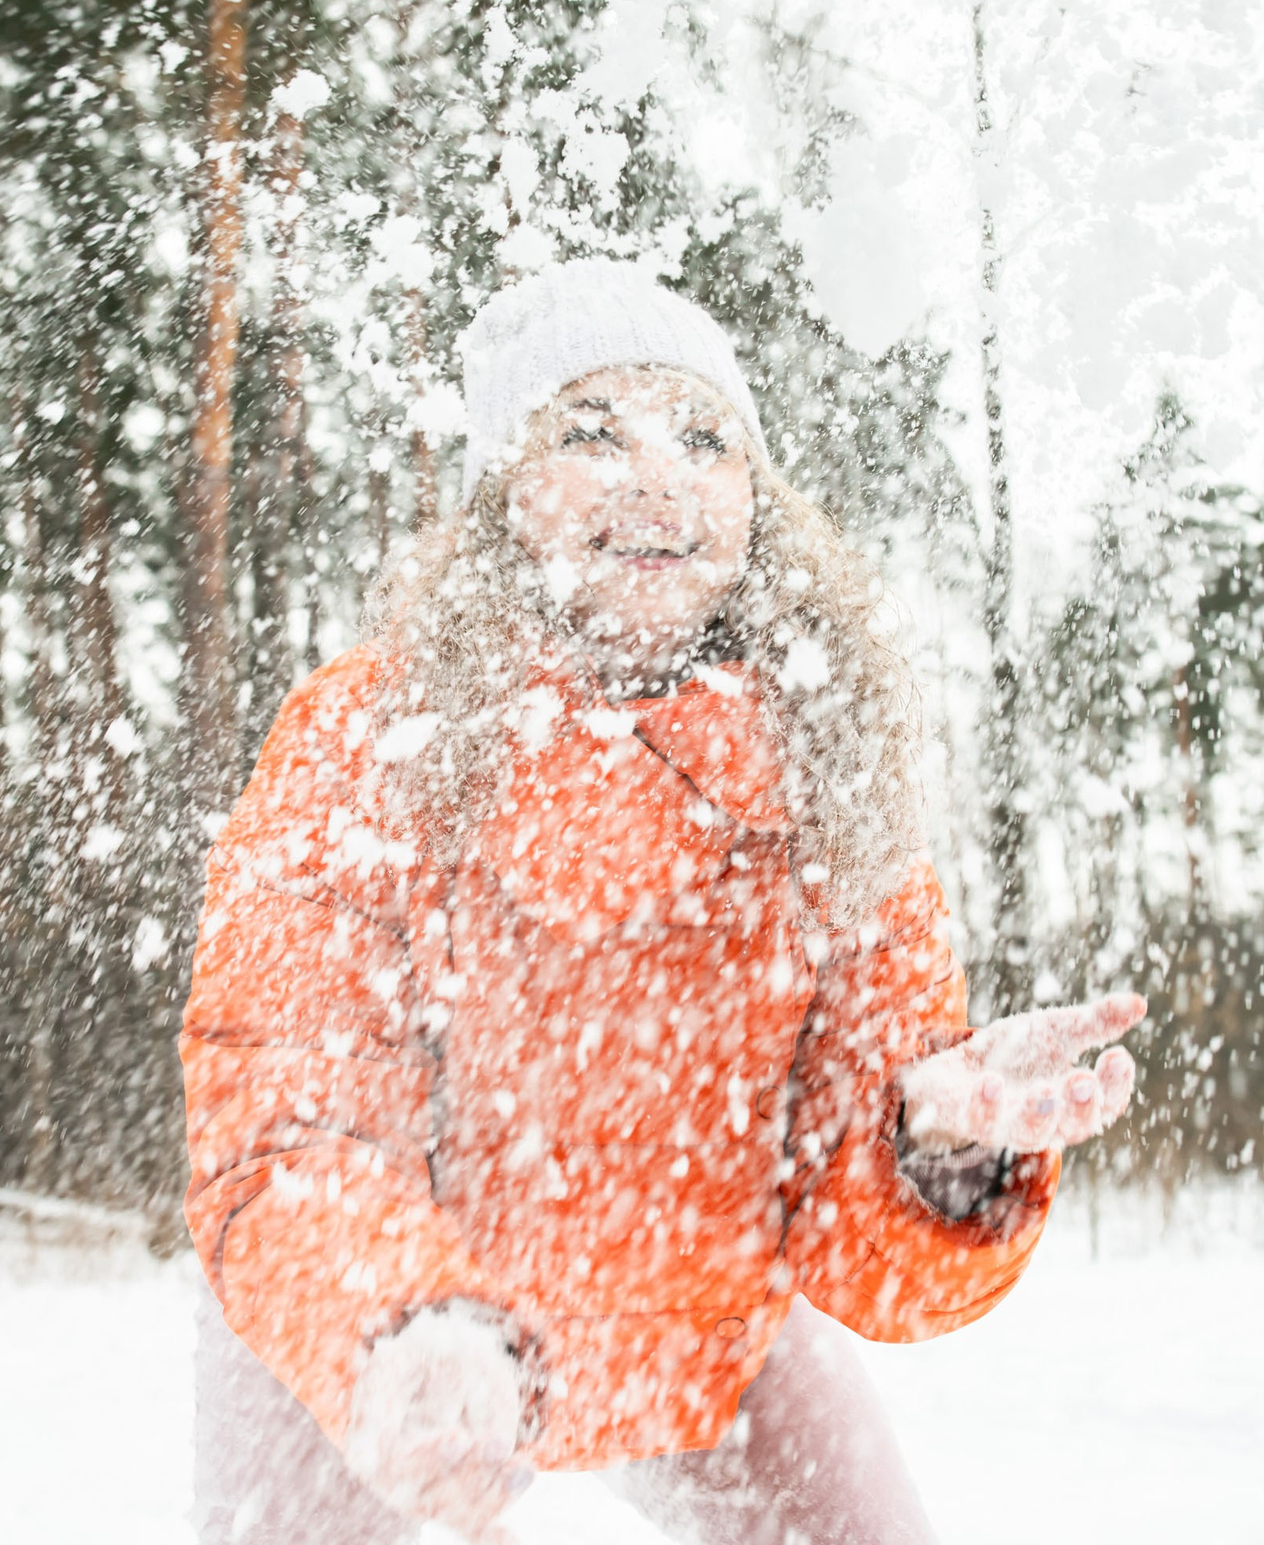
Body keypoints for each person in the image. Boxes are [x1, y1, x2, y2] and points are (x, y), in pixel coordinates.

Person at [180, 260, 1144, 1545]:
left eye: (704, 439)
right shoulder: (364, 738)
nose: (658, 481)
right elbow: (291, 1117)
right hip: (381, 1339)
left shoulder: (831, 767)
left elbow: (858, 1242)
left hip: (696, 1327)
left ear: (757, 498)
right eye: (589, 434)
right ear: (504, 496)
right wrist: (407, 1324)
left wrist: (937, 1141)